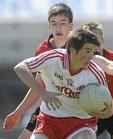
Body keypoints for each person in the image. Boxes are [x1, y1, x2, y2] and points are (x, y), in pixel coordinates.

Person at [11, 28, 113, 139]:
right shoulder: (53, 58)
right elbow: (20, 68)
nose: (91, 57)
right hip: (49, 121)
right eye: (87, 51)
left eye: (93, 52)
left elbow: (109, 107)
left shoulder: (96, 73)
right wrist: (43, 93)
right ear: (73, 50)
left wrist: (105, 112)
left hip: (81, 124)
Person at [3, 3, 74, 139]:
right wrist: (18, 113)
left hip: (78, 111)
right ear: (49, 26)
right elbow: (38, 86)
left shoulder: (79, 46)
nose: (58, 28)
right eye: (53, 23)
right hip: (51, 109)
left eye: (62, 23)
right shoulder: (43, 50)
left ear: (71, 25)